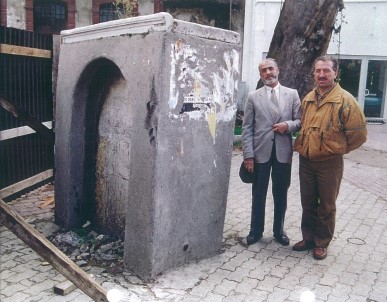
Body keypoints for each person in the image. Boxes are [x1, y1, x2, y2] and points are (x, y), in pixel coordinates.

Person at [293, 56, 367, 260]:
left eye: (326, 70)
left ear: (336, 73)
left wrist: (337, 149)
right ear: (314, 73)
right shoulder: (308, 98)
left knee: (326, 205)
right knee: (307, 203)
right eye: (318, 71)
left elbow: (358, 135)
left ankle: (321, 243)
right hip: (306, 161)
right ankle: (308, 238)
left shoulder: (346, 100)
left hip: (330, 163)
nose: (322, 75)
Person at [242, 58, 301, 246]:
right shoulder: (253, 96)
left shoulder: (292, 94)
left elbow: (300, 121)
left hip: (283, 153)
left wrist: (287, 125)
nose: (268, 73)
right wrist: (248, 156)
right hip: (260, 154)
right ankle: (255, 231)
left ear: (278, 70)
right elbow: (247, 128)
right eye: (263, 70)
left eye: (270, 69)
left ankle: (279, 231)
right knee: (258, 193)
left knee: (280, 193)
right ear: (260, 75)